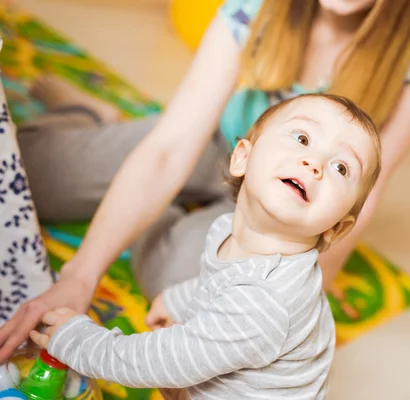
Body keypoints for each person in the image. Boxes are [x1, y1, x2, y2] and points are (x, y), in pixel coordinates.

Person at [0, 0, 410, 361]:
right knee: (24, 177)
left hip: (276, 208)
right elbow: (170, 147)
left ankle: (149, 207)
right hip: (212, 144)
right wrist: (80, 277)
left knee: (202, 308)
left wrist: (310, 288)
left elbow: (367, 188)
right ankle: (89, 115)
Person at [29, 93, 382, 398]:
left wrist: (79, 342)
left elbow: (161, 362)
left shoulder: (266, 303)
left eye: (341, 167)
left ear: (337, 228)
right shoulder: (225, 228)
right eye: (302, 138)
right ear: (242, 157)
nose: (314, 164)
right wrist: (179, 298)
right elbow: (219, 281)